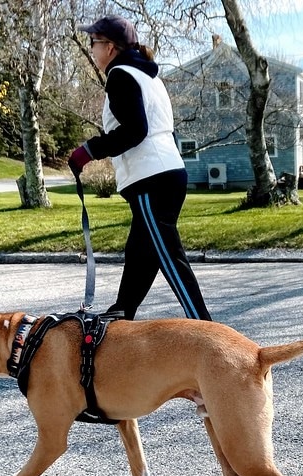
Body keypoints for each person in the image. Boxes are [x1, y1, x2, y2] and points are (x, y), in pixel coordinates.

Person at [69, 16, 212, 322]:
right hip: (166, 172)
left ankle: (205, 327)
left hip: (152, 179)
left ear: (109, 47)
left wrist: (88, 151)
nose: (92, 49)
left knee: (168, 256)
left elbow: (136, 130)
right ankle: (121, 313)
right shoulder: (148, 76)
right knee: (140, 253)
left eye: (93, 43)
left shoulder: (120, 75)